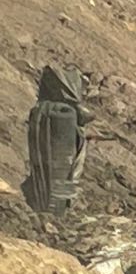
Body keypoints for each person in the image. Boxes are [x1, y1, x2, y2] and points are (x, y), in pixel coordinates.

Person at [23, 66, 89, 216]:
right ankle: (57, 211)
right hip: (58, 179)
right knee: (63, 178)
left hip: (44, 177)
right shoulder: (66, 112)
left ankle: (49, 209)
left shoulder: (41, 110)